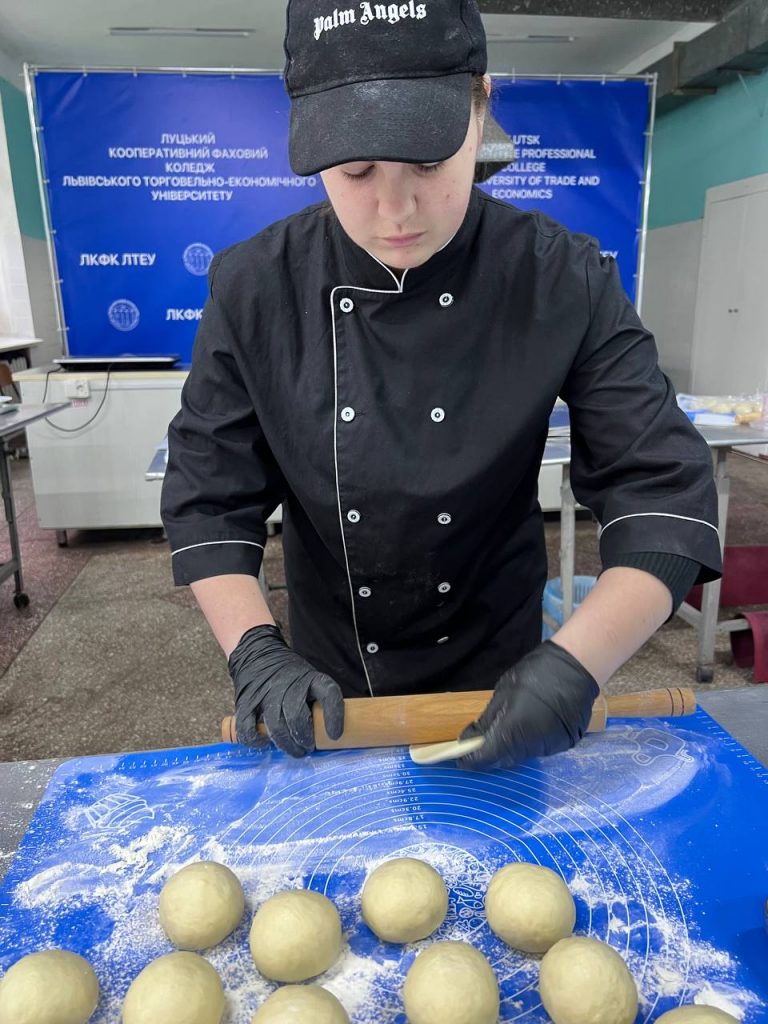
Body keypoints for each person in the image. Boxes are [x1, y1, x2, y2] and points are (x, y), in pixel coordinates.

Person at [160, 0, 721, 767]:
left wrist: (577, 664)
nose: (395, 210)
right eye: (355, 171)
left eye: (428, 162)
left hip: (508, 671)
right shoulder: (255, 286)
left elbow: (662, 490)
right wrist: (255, 648)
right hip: (329, 689)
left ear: (481, 106)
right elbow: (208, 494)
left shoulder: (561, 276)